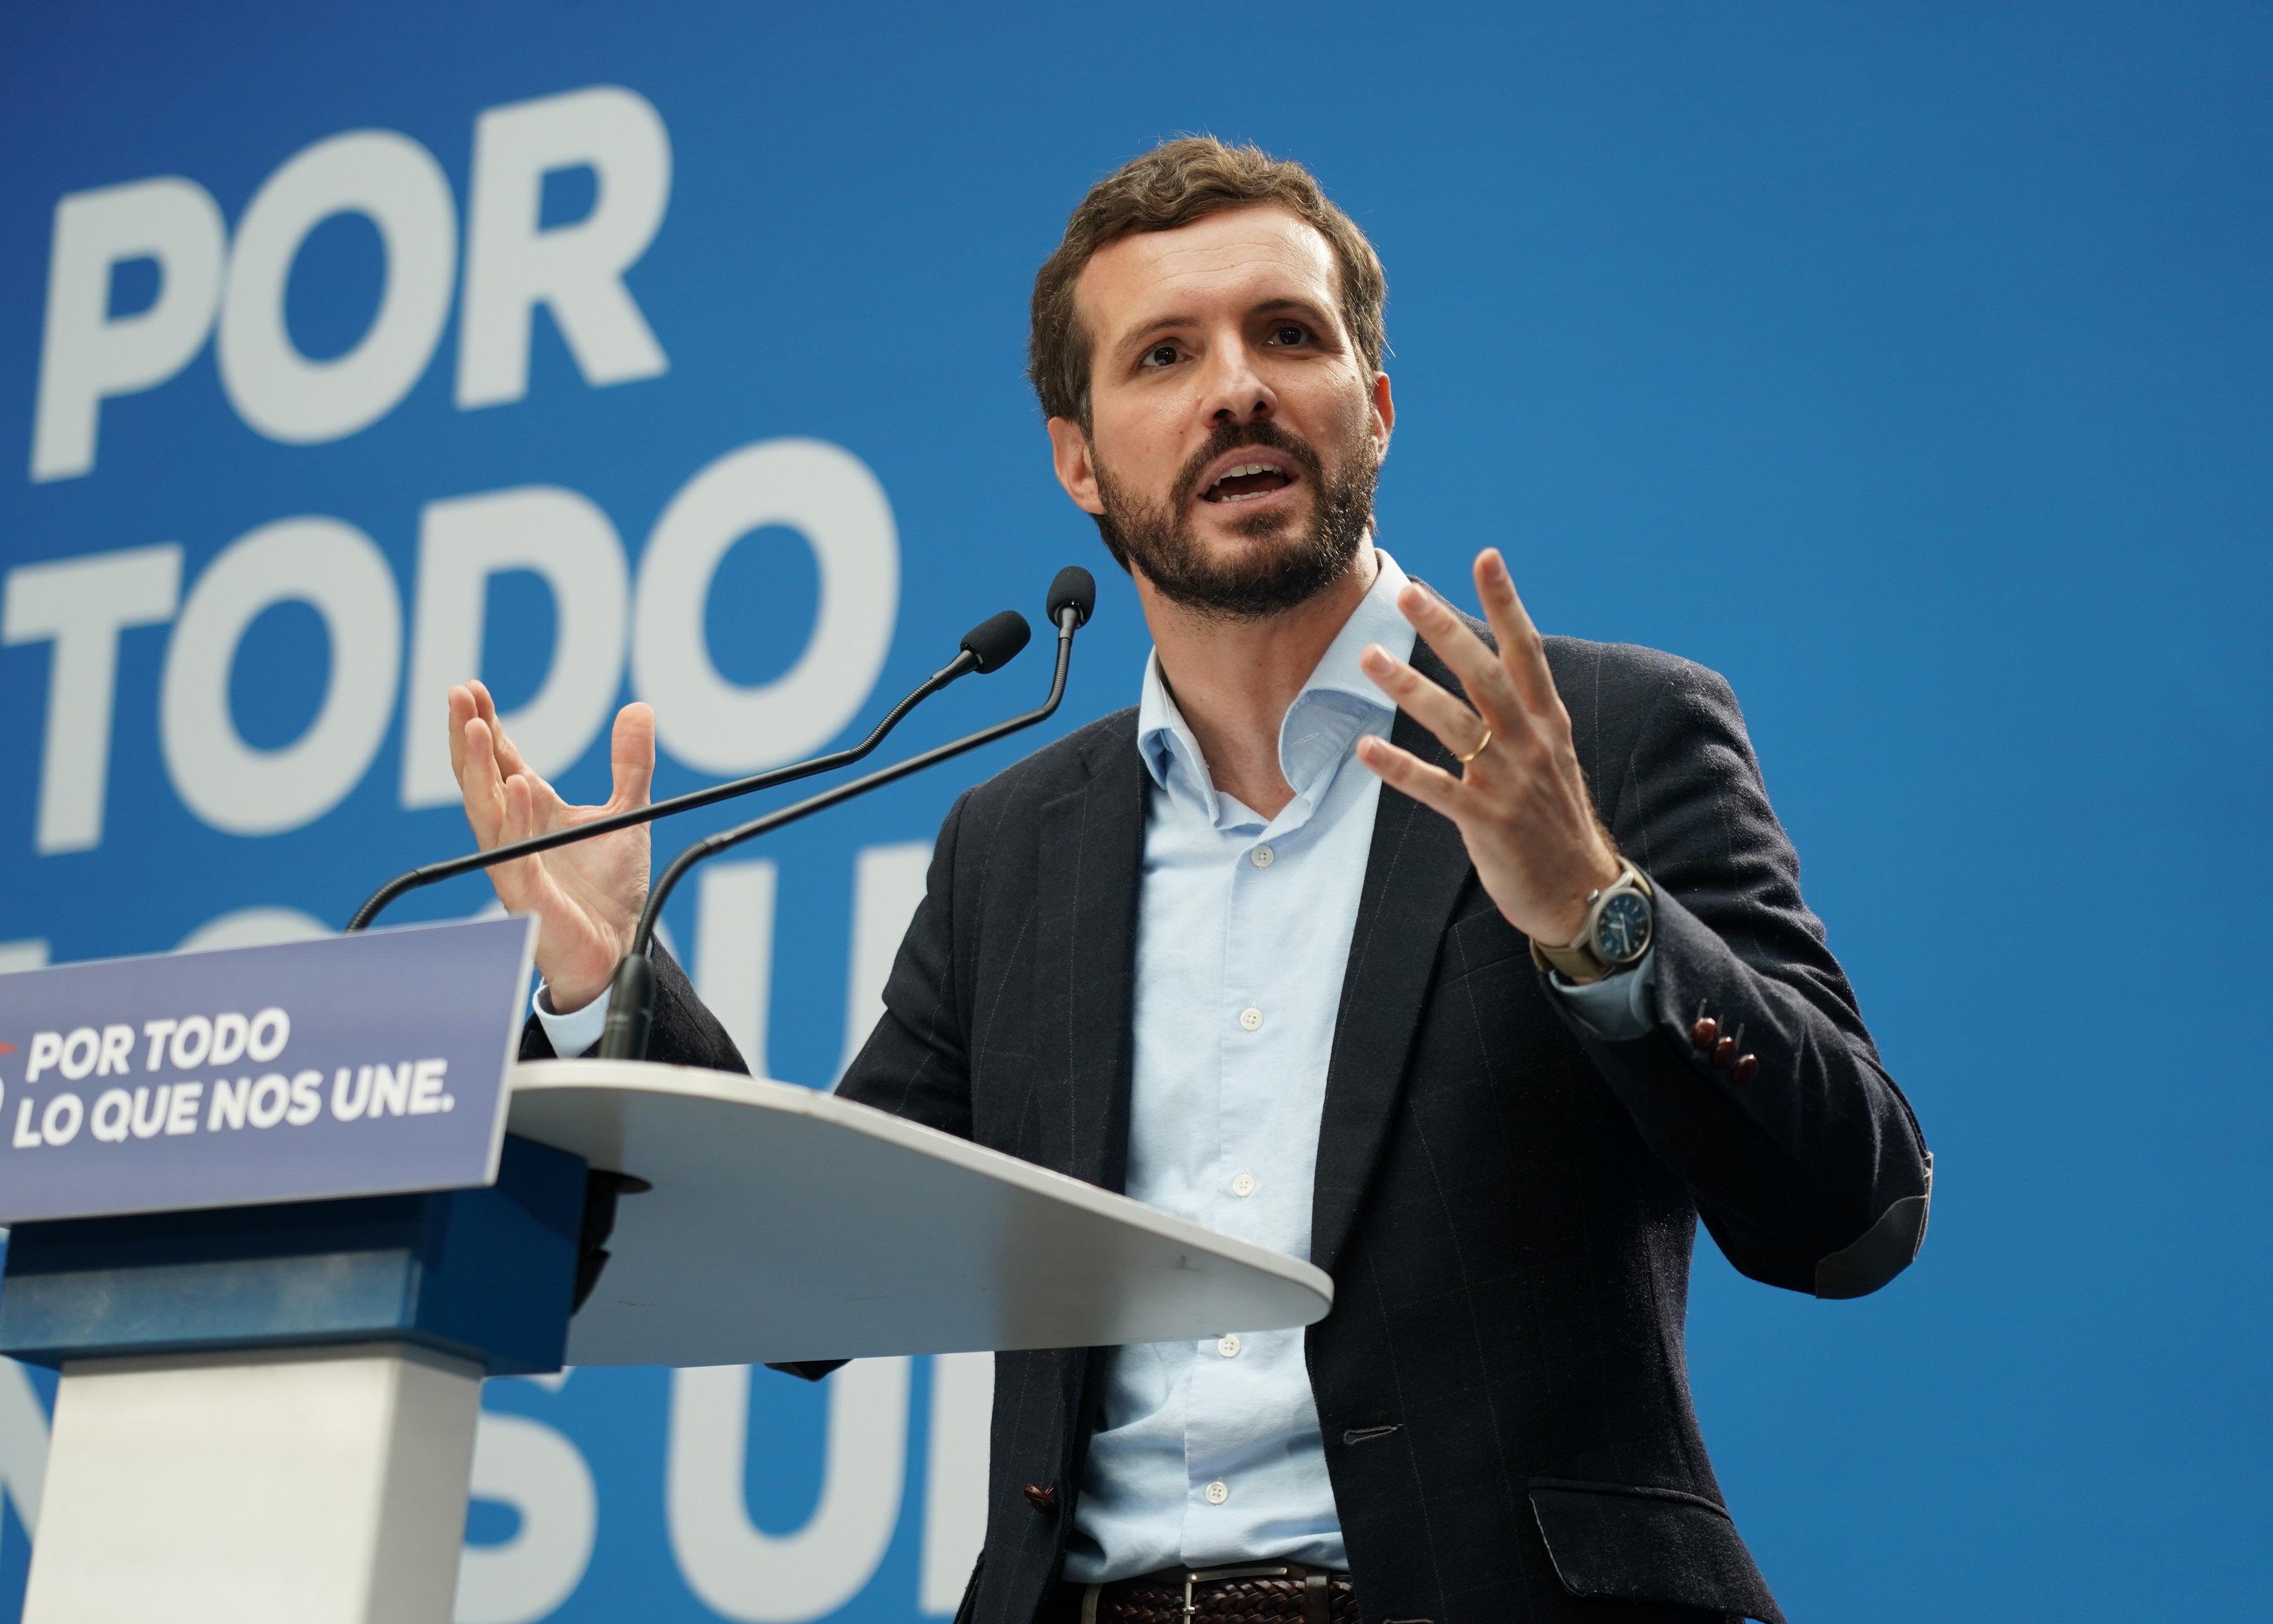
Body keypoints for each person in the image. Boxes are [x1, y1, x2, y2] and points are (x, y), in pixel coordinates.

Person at [445, 138, 1931, 1624]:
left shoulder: (1597, 738)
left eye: (1290, 335)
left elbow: (1850, 1212)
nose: (1238, 387)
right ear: (1077, 458)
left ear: (1378, 408)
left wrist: (1597, 915)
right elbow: (812, 1275)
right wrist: (604, 985)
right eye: (1165, 353)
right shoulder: (1014, 843)